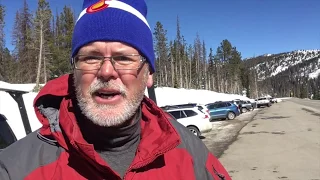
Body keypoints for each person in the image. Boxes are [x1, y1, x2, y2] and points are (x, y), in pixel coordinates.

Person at [0, 0, 231, 179]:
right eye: (91, 57)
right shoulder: (15, 168)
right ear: (75, 71)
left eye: (123, 58)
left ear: (149, 73)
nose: (107, 72)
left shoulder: (191, 153)